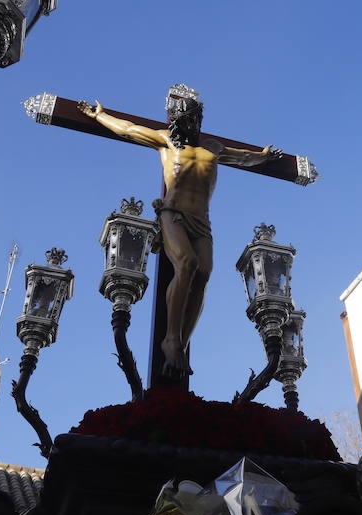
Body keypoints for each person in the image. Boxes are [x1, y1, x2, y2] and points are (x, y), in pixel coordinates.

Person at [79, 91, 282, 381]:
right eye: (182, 118)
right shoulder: (166, 141)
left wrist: (263, 157)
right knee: (186, 264)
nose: (187, 123)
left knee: (204, 275)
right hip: (172, 213)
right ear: (175, 119)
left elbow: (244, 158)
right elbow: (129, 129)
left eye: (192, 118)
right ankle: (170, 339)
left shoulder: (213, 148)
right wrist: (100, 116)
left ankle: (181, 343)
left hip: (203, 221)